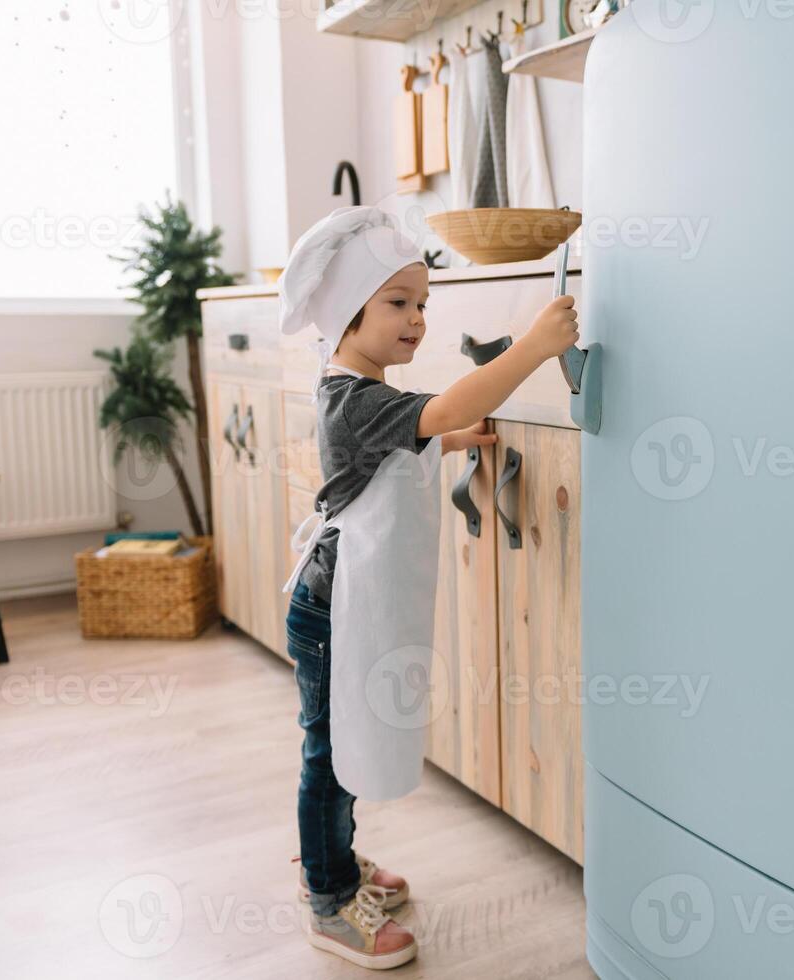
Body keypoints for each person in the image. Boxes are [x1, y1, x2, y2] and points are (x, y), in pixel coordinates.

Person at [276, 207, 579, 969]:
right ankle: (328, 895)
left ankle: (335, 856)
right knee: (329, 749)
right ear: (348, 312)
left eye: (423, 305)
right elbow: (447, 404)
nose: (416, 320)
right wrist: (536, 349)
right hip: (329, 609)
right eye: (398, 303)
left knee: (340, 742)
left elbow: (396, 448)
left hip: (332, 598)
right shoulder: (355, 399)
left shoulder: (357, 388)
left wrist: (438, 442)